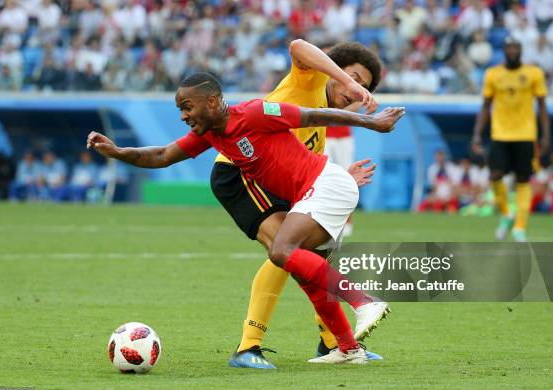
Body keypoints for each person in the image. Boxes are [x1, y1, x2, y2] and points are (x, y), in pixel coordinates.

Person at [87, 72, 405, 365]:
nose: (183, 116)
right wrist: (117, 152)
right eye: (179, 109)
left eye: (187, 106)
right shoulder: (211, 134)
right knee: (305, 270)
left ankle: (364, 301)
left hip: (326, 184)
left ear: (212, 102)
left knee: (281, 251)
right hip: (315, 194)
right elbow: (161, 155)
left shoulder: (253, 113)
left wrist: (371, 122)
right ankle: (348, 349)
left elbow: (312, 115)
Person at [210, 40, 383, 369]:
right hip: (240, 172)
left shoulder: (319, 129)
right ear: (335, 70)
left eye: (364, 87)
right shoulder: (311, 80)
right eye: (354, 78)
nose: (356, 90)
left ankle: (334, 344)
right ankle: (248, 347)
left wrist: (341, 177)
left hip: (274, 183)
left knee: (310, 255)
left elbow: (303, 171)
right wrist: (344, 79)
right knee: (284, 251)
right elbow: (299, 46)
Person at [472, 37, 550, 242]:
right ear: (504, 50)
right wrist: (477, 135)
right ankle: (507, 214)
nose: (513, 51)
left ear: (521, 50)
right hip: (501, 134)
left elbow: (542, 106)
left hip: (526, 135)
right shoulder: (493, 74)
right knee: (495, 175)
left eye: (517, 47)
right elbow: (485, 106)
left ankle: (519, 228)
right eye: (509, 47)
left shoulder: (534, 73)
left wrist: (545, 136)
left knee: (523, 179)